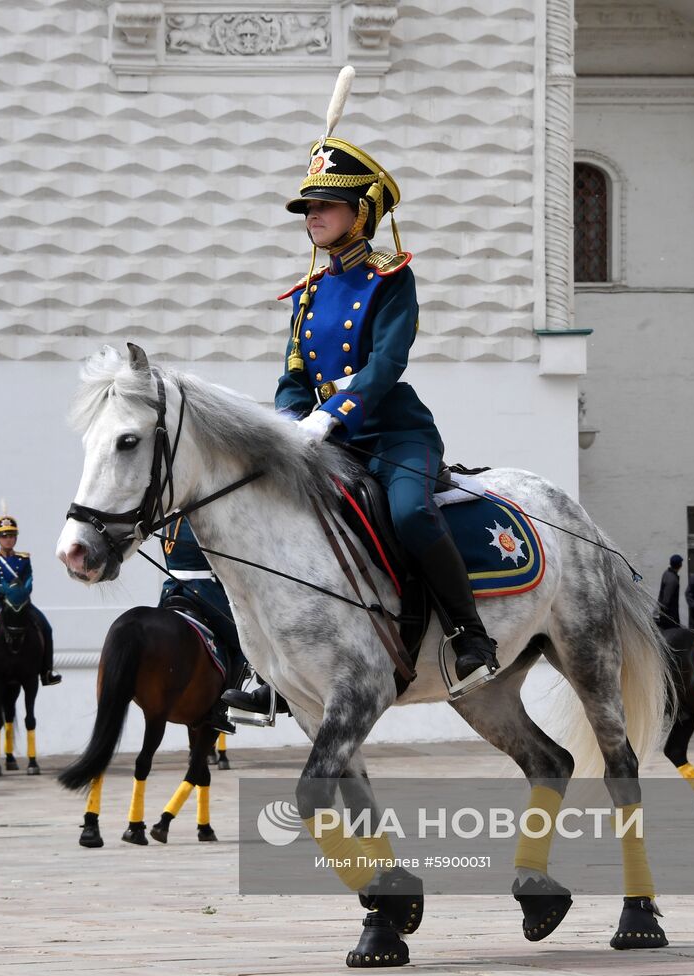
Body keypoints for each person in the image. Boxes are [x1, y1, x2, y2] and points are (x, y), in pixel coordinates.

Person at [224, 71, 499, 717]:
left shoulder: (391, 281)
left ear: (363, 211)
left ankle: (469, 636)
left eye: (324, 206)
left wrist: (330, 415)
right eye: (308, 209)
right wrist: (290, 426)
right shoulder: (310, 293)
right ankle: (270, 667)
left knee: (410, 516)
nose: (312, 217)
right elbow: (292, 376)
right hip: (322, 439)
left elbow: (385, 365)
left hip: (392, 433)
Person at [159, 517, 245, 735]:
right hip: (203, 590)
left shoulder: (168, 520)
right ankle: (222, 708)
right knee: (245, 643)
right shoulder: (201, 518)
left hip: (171, 588)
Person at [0, 508, 59, 689]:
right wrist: (5, 593)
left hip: (21, 603)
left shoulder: (23, 559)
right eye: (4, 536)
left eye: (11, 535)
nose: (8, 539)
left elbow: (29, 581)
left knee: (46, 628)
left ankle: (47, 672)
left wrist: (20, 593)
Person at [656, 554, 683, 630]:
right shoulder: (673, 579)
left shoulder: (666, 573)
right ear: (680, 565)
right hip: (670, 615)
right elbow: (666, 599)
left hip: (665, 614)